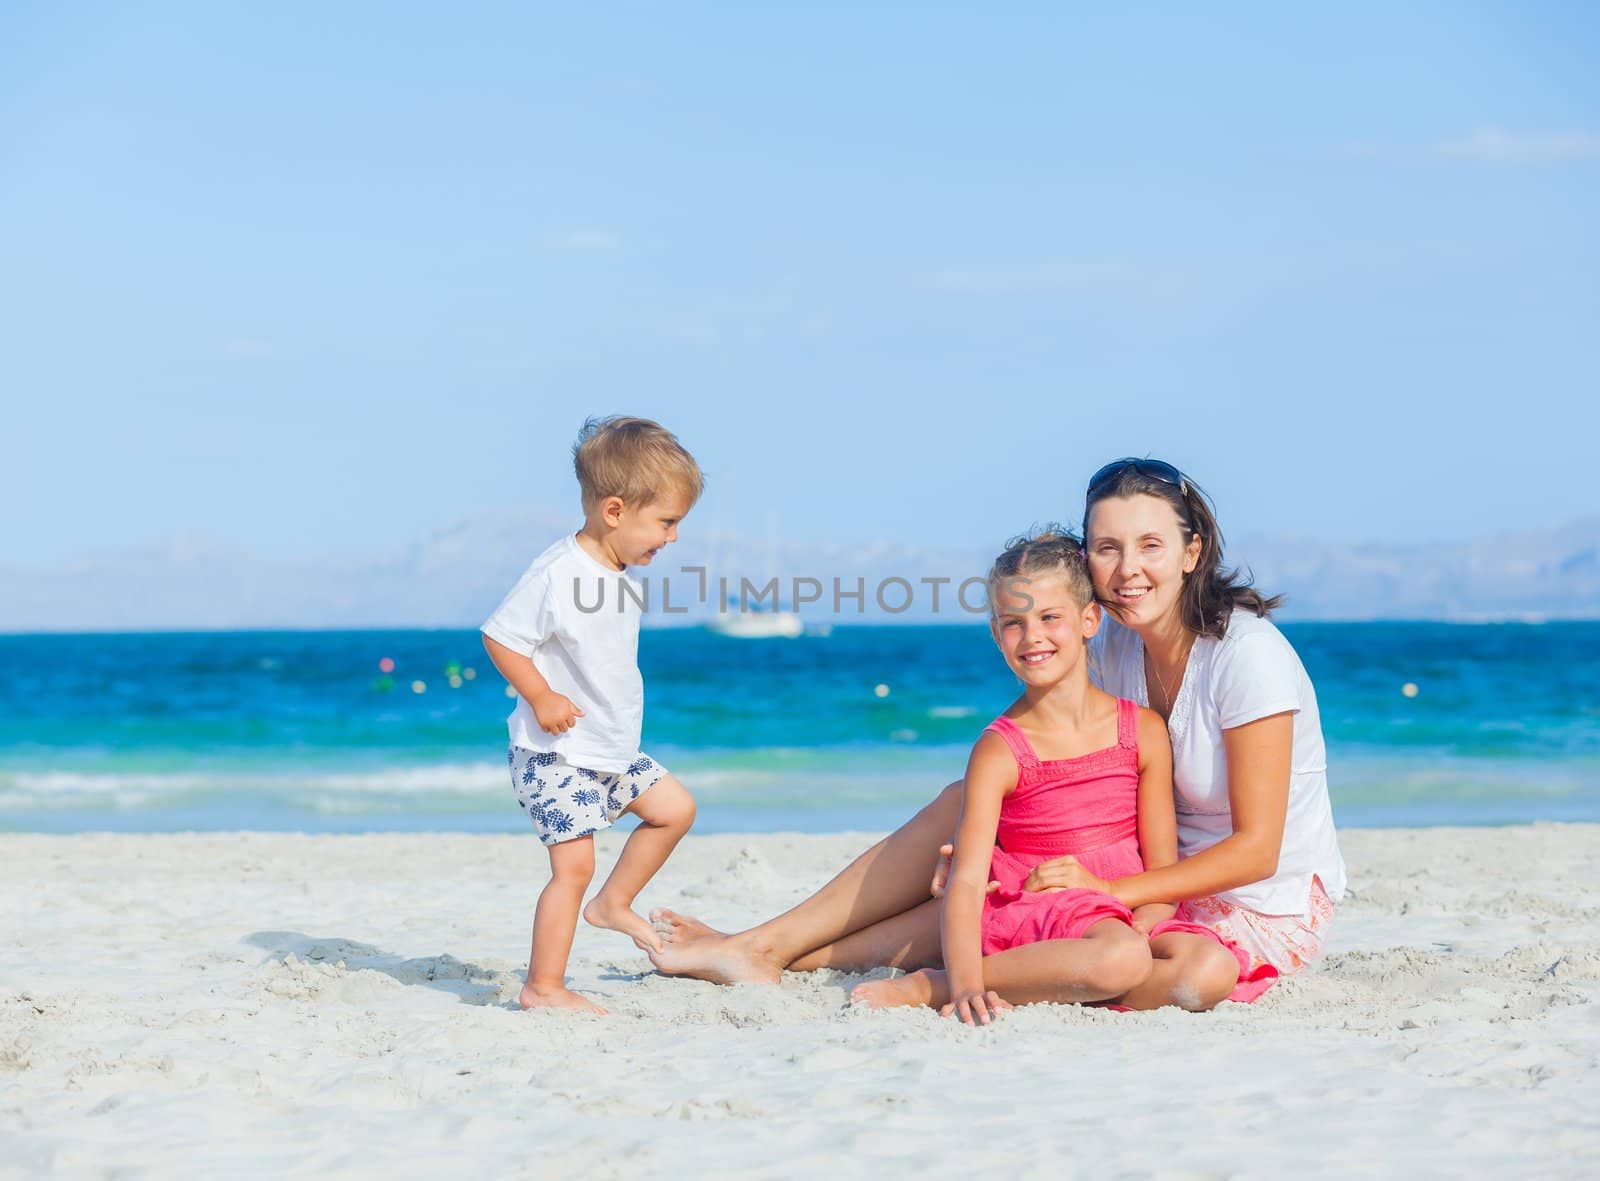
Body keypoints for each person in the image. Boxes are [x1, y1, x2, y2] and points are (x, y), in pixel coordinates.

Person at [649, 458, 1344, 1009]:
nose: (1128, 568)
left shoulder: (1247, 655)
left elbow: (1257, 851)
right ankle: (764, 945)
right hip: (1132, 878)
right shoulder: (1119, 643)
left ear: (1192, 551)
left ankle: (945, 980)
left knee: (1197, 973)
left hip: (1245, 900)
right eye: (1107, 547)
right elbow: (1058, 758)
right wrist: (995, 844)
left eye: (1151, 545)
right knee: (965, 811)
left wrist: (1113, 891)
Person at [850, 530, 1260, 1022]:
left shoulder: (1143, 733)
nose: (1033, 637)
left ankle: (1064, 976)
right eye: (1013, 624)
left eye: (1049, 617)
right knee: (1120, 960)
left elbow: (1161, 877)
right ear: (997, 635)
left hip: (1124, 916)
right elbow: (966, 882)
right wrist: (964, 987)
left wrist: (1141, 925)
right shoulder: (999, 749)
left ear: (1089, 620)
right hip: (1040, 915)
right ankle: (940, 985)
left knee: (1209, 970)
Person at [482, 416, 702, 1014]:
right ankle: (543, 987)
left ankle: (613, 906)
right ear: (614, 511)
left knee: (674, 810)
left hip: (608, 746)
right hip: (554, 755)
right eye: (666, 522)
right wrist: (541, 695)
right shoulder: (557, 572)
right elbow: (501, 637)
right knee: (572, 867)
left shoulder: (620, 573)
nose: (673, 538)